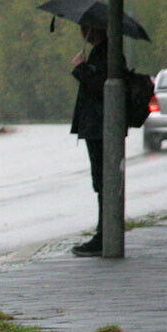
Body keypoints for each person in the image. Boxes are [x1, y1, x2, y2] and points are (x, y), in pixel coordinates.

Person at [69, 24, 109, 257]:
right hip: (97, 126)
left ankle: (104, 235)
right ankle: (103, 232)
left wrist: (80, 68)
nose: (82, 33)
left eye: (84, 28)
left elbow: (99, 87)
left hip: (99, 127)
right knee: (101, 181)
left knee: (103, 181)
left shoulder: (106, 54)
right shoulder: (102, 52)